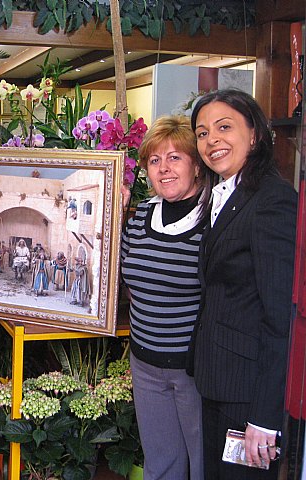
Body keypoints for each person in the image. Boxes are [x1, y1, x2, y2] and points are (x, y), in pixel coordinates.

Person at [189, 89, 297, 479]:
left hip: (248, 394)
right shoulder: (224, 194)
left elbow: (280, 316)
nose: (211, 140)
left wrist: (265, 417)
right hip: (218, 380)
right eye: (202, 133)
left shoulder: (272, 200)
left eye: (224, 127)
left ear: (254, 134)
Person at [121, 115, 212, 480]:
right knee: (161, 464)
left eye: (175, 157)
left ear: (196, 164)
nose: (164, 168)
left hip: (193, 369)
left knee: (203, 464)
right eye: (155, 160)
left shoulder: (214, 217)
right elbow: (121, 272)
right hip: (144, 362)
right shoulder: (142, 213)